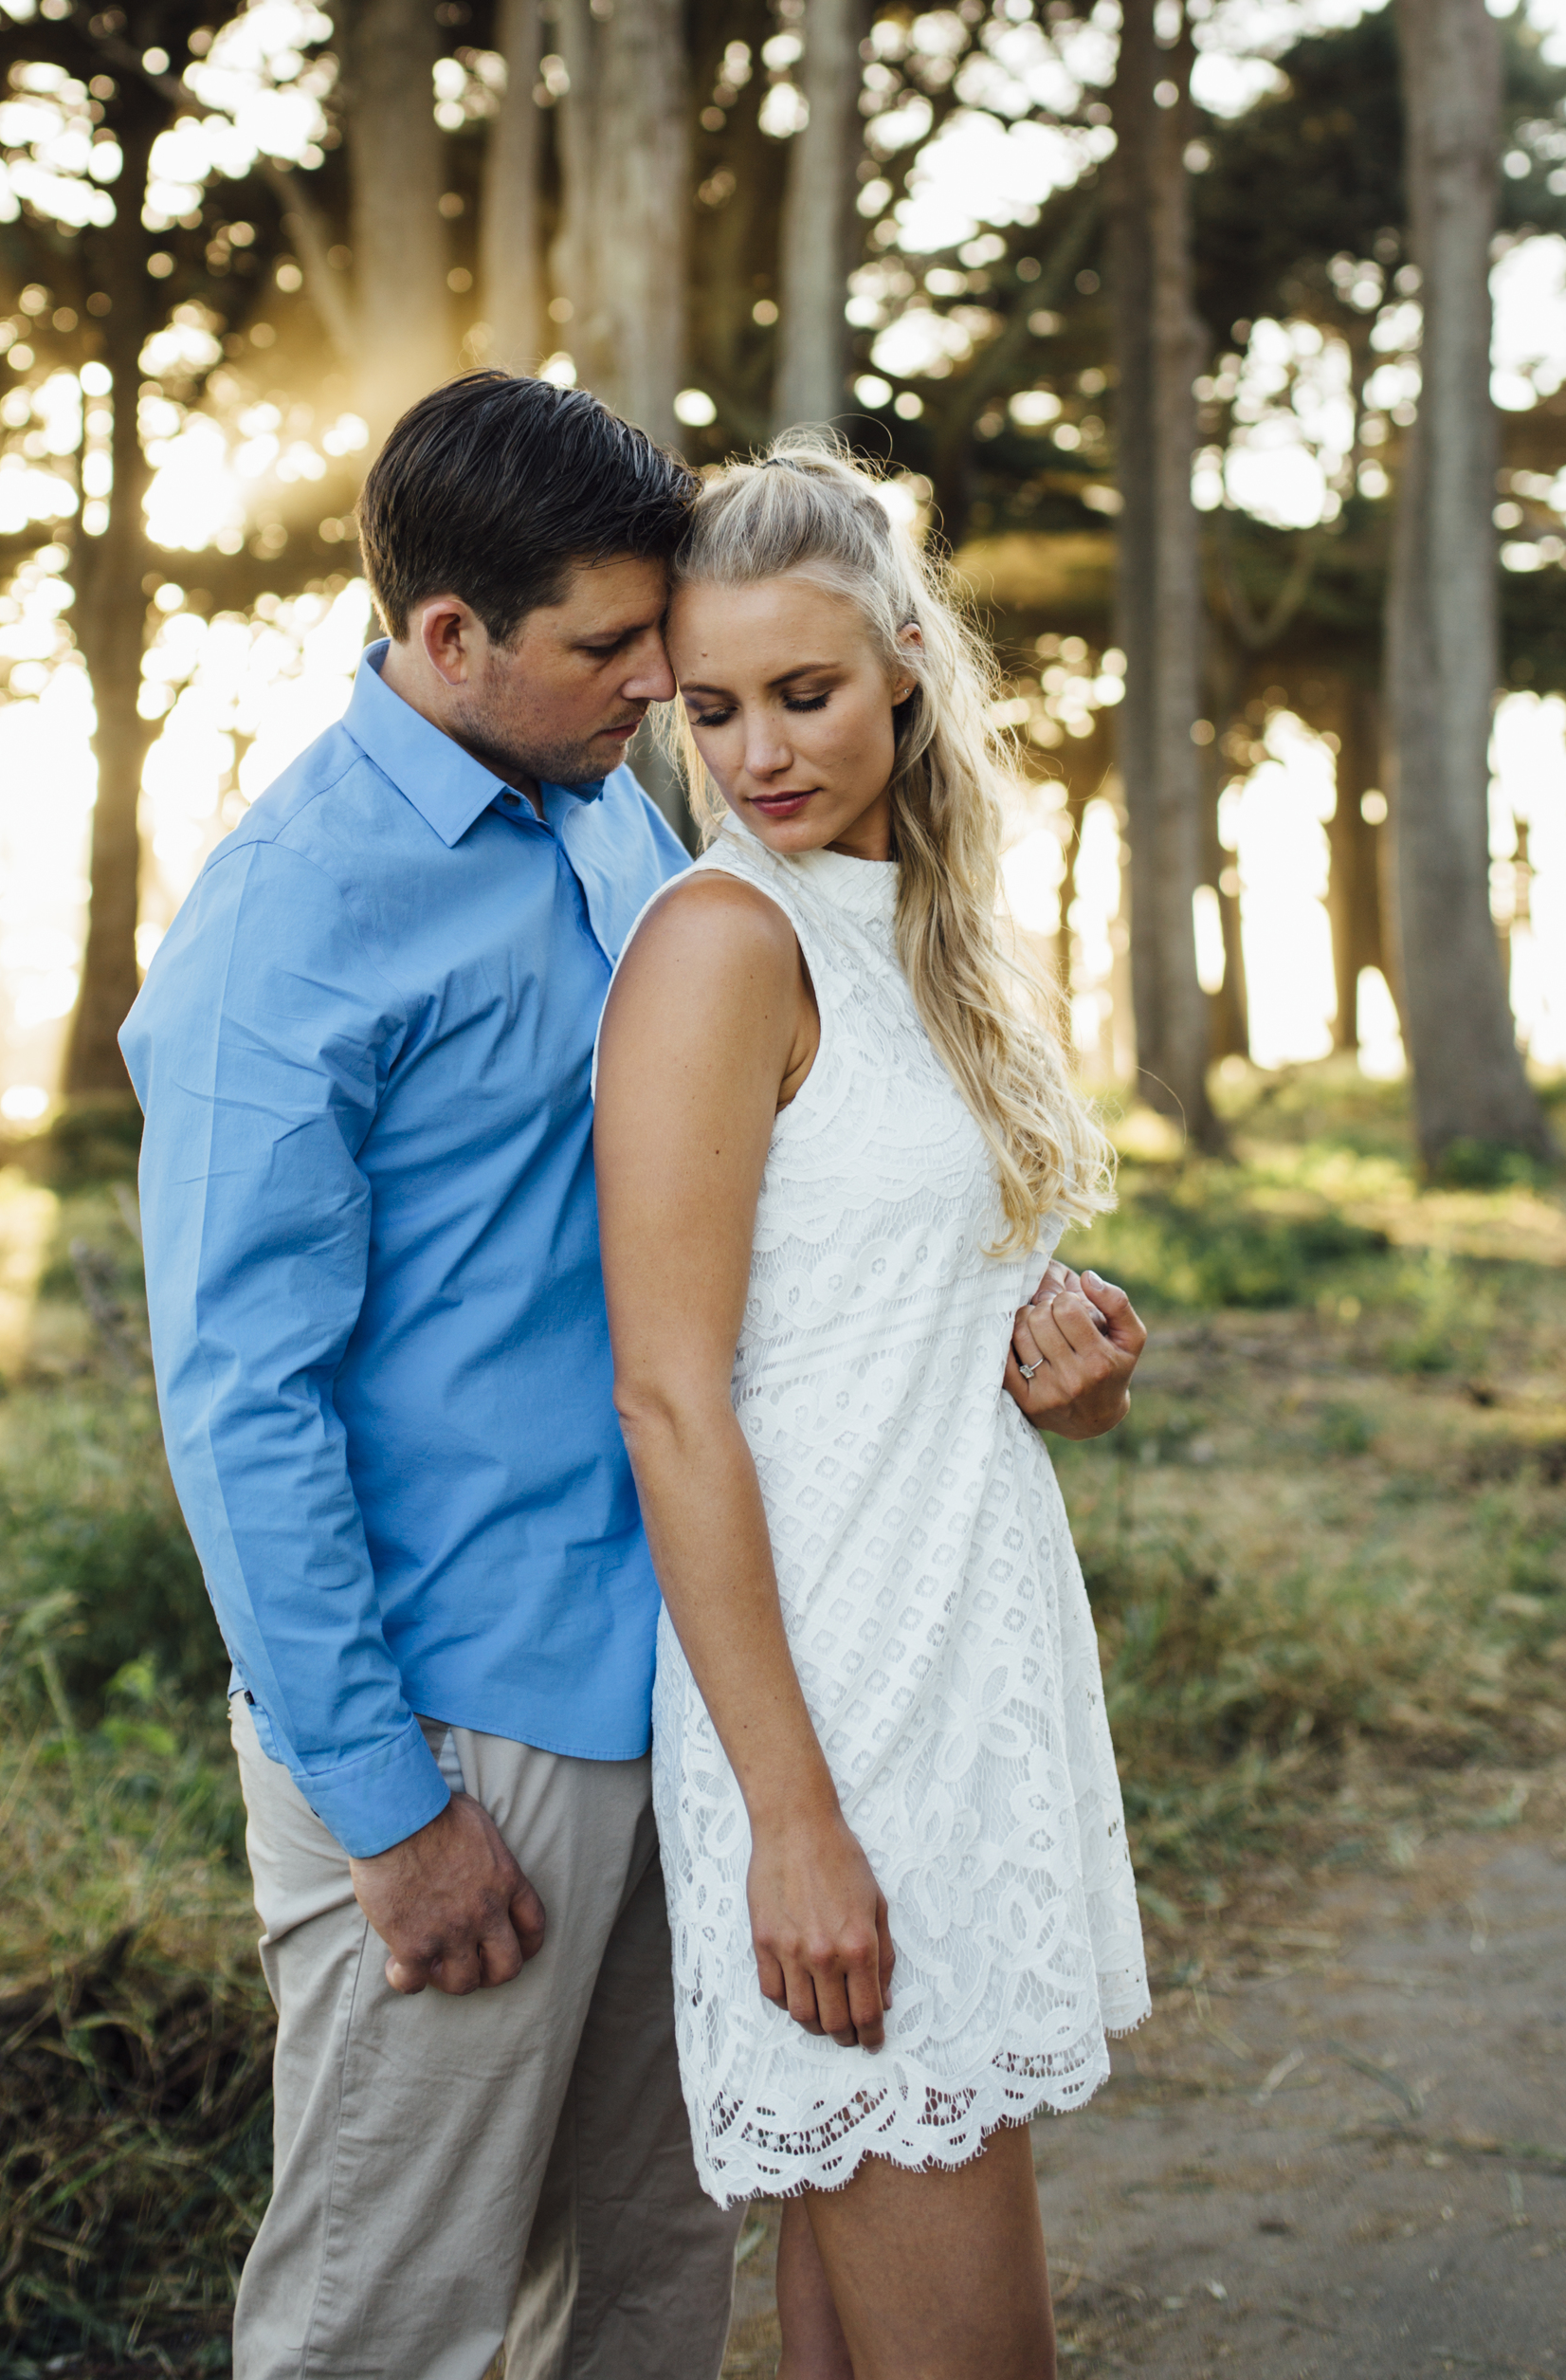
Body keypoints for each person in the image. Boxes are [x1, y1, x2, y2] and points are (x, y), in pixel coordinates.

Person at [123, 372, 743, 2380]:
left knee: (651, 2284)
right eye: (607, 644)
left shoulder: (607, 816)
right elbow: (242, 1398)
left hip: (672, 1677)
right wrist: (388, 1812)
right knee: (386, 2322)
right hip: (455, 1724)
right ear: (445, 636)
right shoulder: (287, 916)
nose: (658, 679)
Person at [595, 438, 1150, 2380]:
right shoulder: (715, 943)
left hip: (966, 1663)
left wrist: (1060, 1364)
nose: (755, 752)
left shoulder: (923, 938)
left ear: (903, 663)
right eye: (711, 707)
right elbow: (670, 1399)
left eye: (803, 693)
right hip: (828, 1707)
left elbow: (912, 1329)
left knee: (860, 2322)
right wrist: (792, 1821)